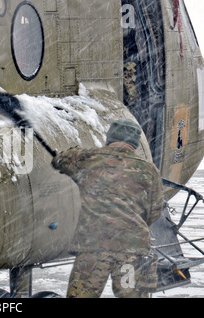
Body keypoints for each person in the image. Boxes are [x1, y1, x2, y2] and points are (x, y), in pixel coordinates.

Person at [52, 119, 164, 298]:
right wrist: (132, 227)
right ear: (134, 143)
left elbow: (60, 161)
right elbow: (156, 209)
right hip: (131, 249)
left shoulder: (88, 158)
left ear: (110, 138)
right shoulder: (148, 169)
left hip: (93, 246)